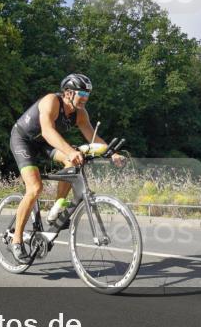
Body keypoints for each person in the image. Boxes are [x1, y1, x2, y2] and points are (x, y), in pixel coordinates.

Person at [7, 73, 124, 263]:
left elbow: (92, 138)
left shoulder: (80, 113)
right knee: (35, 188)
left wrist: (111, 154)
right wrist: (69, 150)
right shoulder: (51, 101)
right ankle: (17, 240)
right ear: (68, 93)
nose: (85, 99)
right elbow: (47, 130)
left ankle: (56, 210)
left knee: (73, 163)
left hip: (44, 144)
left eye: (88, 95)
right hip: (23, 140)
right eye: (82, 95)